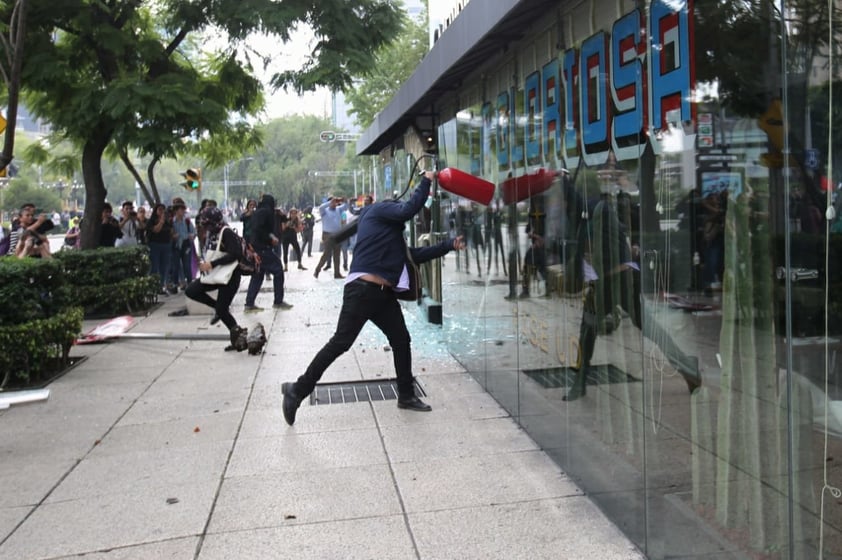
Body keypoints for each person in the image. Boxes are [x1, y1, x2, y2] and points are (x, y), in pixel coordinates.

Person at [281, 171, 466, 425]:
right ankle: (297, 390)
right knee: (340, 343)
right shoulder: (379, 211)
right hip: (362, 291)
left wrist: (448, 245)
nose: (400, 214)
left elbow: (413, 255)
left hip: (381, 295)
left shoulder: (387, 233)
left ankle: (406, 395)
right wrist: (426, 180)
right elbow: (408, 209)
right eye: (397, 209)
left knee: (401, 339)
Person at [185, 206, 249, 351]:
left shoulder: (226, 232)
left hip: (230, 276)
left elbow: (235, 254)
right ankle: (219, 309)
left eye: (207, 224)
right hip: (214, 275)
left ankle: (239, 339)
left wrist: (212, 264)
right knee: (191, 291)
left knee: (222, 310)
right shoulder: (210, 234)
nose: (206, 227)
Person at [243, 193, 293, 311]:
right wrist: (270, 238)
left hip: (256, 246)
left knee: (258, 274)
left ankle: (249, 303)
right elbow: (260, 229)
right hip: (262, 247)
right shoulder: (266, 212)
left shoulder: (257, 212)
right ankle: (278, 301)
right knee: (278, 270)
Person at [313, 195, 348, 279]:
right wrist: (330, 202)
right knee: (326, 254)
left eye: (335, 203)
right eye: (332, 202)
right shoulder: (324, 211)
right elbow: (321, 207)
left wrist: (343, 199)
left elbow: (346, 205)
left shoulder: (338, 210)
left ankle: (337, 273)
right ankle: (317, 269)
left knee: (337, 254)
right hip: (327, 234)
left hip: (337, 234)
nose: (334, 204)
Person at [147, 203, 172, 294]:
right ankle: (153, 286)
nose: (162, 212)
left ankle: (161, 286)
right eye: (160, 209)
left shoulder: (167, 221)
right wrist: (161, 221)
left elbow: (170, 231)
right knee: (155, 266)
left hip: (166, 245)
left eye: (163, 210)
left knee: (164, 267)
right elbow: (156, 230)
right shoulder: (152, 221)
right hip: (155, 245)